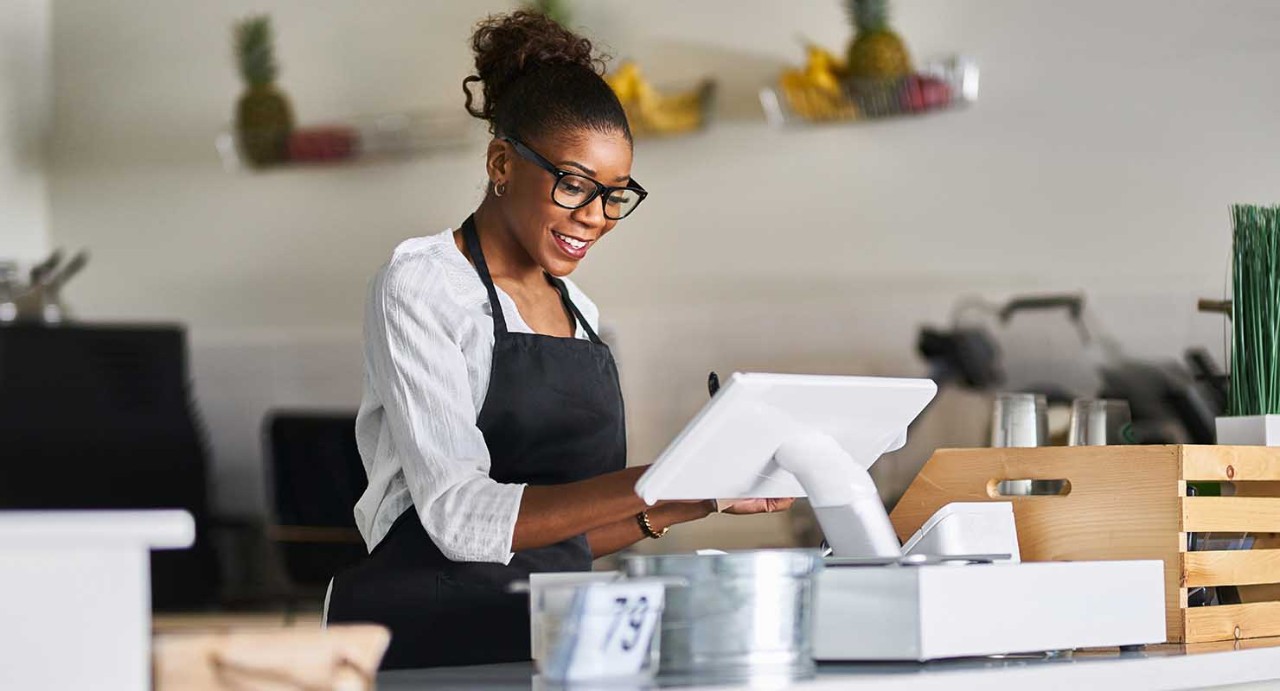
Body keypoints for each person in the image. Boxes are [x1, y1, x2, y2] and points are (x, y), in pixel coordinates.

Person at [325, 11, 792, 669]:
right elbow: (461, 518)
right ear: (500, 162)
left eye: (614, 195)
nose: (596, 218)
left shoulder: (580, 310)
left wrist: (703, 491)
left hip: (553, 636)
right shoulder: (423, 285)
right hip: (427, 643)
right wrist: (663, 476)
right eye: (574, 184)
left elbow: (560, 538)